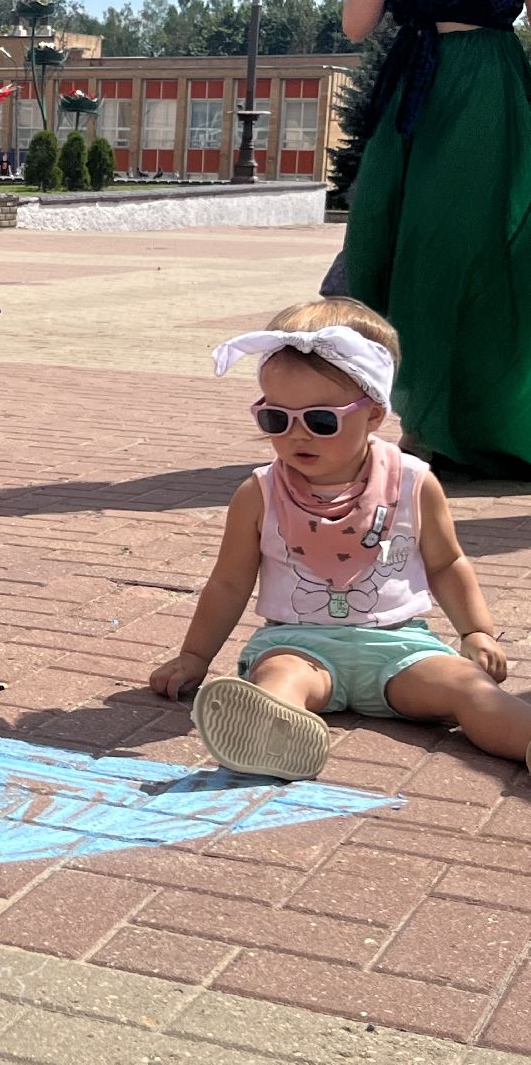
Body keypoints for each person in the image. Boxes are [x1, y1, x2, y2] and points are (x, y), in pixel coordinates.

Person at [149, 298, 531, 780]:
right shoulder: (259, 492)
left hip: (400, 647)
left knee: (469, 689)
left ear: (373, 414)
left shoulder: (414, 482)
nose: (296, 435)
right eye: (275, 418)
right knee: (278, 681)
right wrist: (195, 656)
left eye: (321, 420)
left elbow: (446, 563)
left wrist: (476, 631)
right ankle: (274, 737)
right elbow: (228, 582)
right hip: (298, 643)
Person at [341, 0, 531, 476]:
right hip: (414, 86)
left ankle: (457, 424)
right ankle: (424, 417)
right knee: (389, 242)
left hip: (486, 87)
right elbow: (356, 26)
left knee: (460, 248)